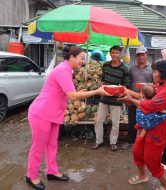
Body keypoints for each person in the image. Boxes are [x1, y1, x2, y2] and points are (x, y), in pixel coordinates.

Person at [26, 46, 111, 190]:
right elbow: (72, 96)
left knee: (52, 144)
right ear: (72, 57)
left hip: (52, 113)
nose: (83, 61)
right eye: (81, 58)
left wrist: (78, 91)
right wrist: (96, 91)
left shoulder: (66, 69)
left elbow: (66, 91)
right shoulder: (62, 70)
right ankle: (31, 175)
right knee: (38, 147)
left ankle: (52, 171)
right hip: (41, 113)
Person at [119, 59, 166, 190]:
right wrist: (128, 91)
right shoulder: (160, 84)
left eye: (155, 71)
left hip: (159, 129)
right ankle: (142, 176)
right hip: (147, 126)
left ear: (163, 73)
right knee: (137, 152)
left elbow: (151, 105)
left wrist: (130, 99)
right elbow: (145, 98)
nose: (153, 74)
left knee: (151, 160)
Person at [92, 46, 130, 151]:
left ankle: (113, 142)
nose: (114, 55)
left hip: (116, 100)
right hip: (104, 98)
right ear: (110, 53)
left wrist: (121, 92)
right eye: (113, 52)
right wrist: (101, 84)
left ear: (120, 54)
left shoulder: (124, 69)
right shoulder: (106, 66)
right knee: (99, 121)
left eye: (117, 53)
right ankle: (98, 141)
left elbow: (126, 86)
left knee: (115, 123)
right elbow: (103, 80)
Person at [122, 46, 153, 150]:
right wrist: (128, 97)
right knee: (132, 121)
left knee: (146, 121)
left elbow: (154, 85)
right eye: (139, 55)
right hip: (133, 99)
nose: (141, 57)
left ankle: (144, 142)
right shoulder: (131, 68)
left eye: (143, 54)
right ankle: (130, 142)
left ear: (147, 55)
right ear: (136, 56)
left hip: (147, 100)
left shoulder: (152, 68)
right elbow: (127, 83)